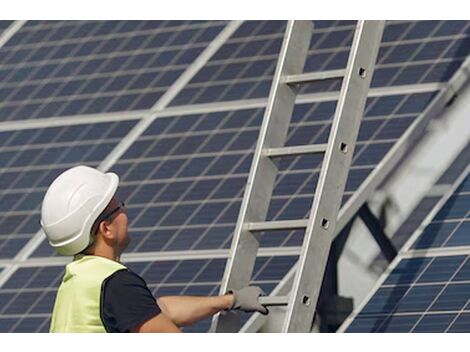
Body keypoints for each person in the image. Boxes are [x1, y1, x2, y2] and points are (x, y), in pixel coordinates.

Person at [40, 165, 268, 333]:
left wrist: (229, 301)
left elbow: (158, 311)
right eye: (118, 207)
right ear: (106, 228)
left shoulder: (79, 280)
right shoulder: (117, 284)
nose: (125, 212)